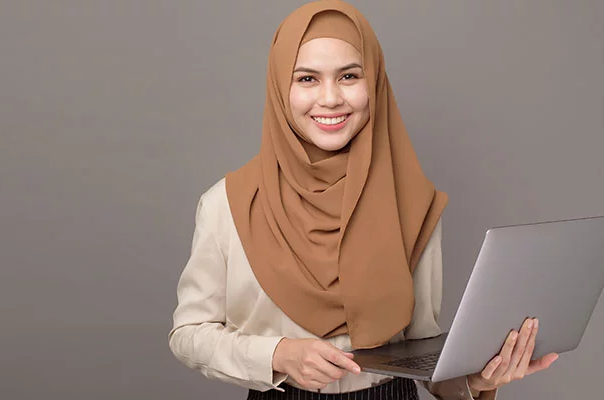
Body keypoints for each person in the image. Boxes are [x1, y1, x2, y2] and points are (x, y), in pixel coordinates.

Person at [167, 1, 558, 399]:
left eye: (349, 76)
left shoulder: (412, 202)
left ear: (374, 82)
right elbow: (189, 335)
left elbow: (421, 354)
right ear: (279, 86)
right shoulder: (228, 204)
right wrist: (277, 355)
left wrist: (476, 381)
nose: (331, 98)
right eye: (307, 79)